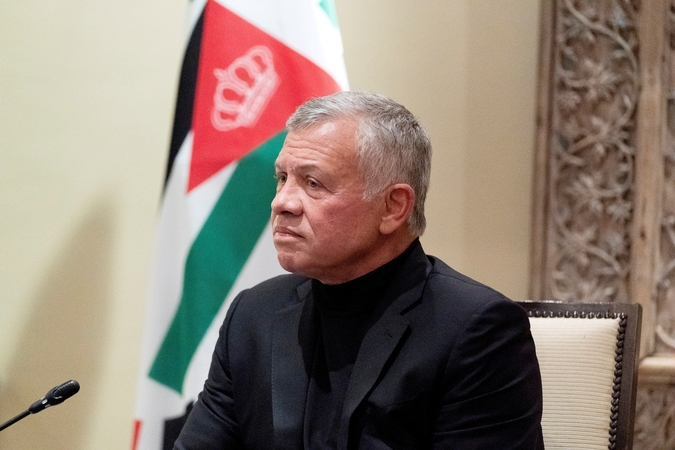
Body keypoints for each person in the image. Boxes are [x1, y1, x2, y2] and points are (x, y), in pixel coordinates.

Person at [174, 91, 544, 449]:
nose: (282, 202)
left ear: (393, 207)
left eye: (313, 183)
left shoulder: (476, 331)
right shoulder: (254, 315)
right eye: (282, 178)